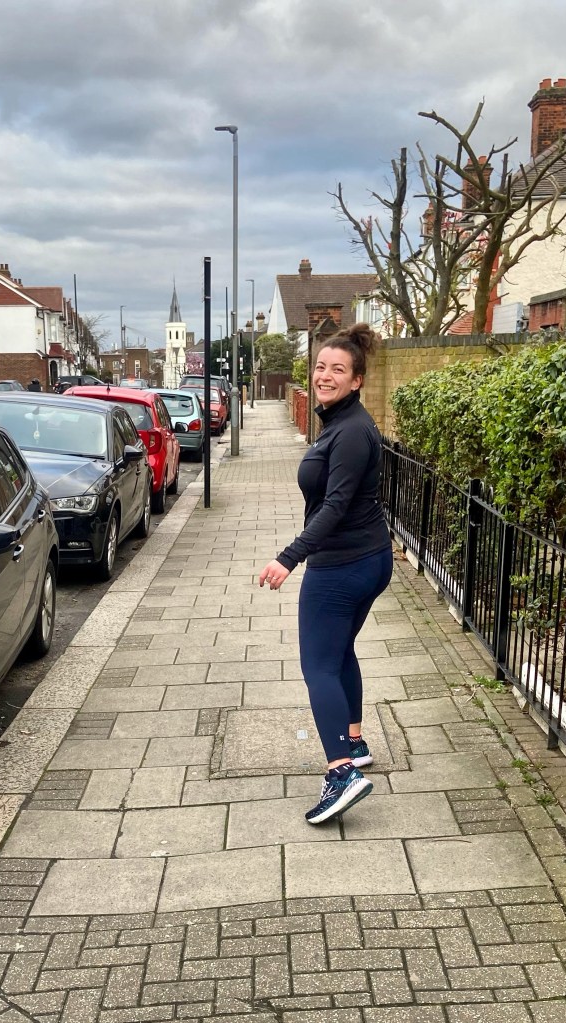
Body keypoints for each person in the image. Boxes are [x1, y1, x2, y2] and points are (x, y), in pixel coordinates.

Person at [259, 323, 393, 825]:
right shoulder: (341, 423)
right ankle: (353, 744)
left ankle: (341, 773)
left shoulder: (352, 430)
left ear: (357, 379)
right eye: (320, 367)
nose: (325, 375)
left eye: (338, 369)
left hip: (342, 565)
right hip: (365, 558)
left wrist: (288, 557)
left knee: (318, 665)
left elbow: (335, 506)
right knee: (339, 655)